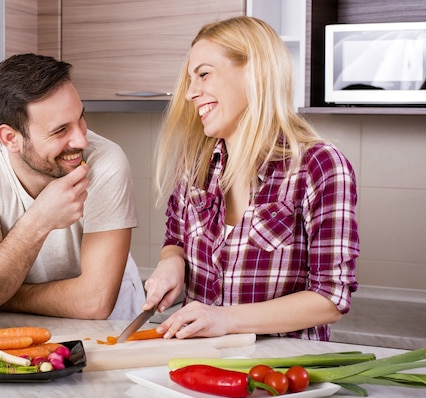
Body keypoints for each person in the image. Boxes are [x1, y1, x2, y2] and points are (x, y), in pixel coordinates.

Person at [143, 16, 359, 341]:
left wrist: (225, 320)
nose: (189, 93)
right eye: (190, 79)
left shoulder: (319, 166)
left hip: (280, 375)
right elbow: (175, 241)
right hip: (196, 365)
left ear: (255, 72)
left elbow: (331, 298)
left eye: (203, 74)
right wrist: (171, 264)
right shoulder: (196, 167)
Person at [0, 53, 145, 320]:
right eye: (61, 131)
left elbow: (94, 302)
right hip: (19, 331)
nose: (81, 140)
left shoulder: (106, 161)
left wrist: (2, 295)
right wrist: (40, 220)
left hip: (110, 331)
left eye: (80, 118)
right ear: (10, 138)